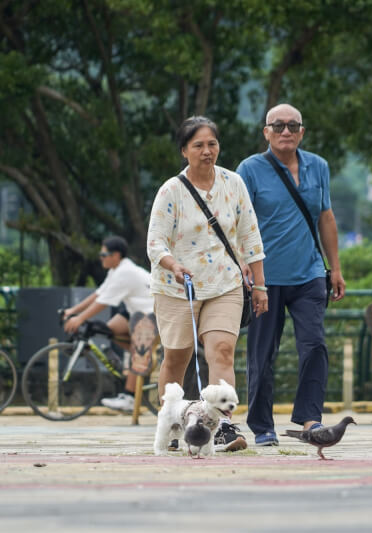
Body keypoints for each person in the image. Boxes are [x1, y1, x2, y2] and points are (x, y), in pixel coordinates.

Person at [147, 115, 267, 452]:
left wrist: (260, 285)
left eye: (212, 144)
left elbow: (250, 236)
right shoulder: (171, 190)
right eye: (198, 145)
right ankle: (172, 425)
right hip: (177, 285)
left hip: (225, 283)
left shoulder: (233, 184)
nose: (206, 151)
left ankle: (223, 426)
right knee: (177, 358)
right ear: (184, 150)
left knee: (222, 351)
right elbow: (155, 243)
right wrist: (173, 265)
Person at [236, 103, 346, 446]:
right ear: (266, 132)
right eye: (278, 125)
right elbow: (238, 222)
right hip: (265, 277)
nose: (286, 131)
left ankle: (311, 420)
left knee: (314, 345)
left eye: (293, 125)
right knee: (262, 351)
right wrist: (245, 267)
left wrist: (336, 268)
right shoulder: (249, 169)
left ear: (302, 131)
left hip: (310, 273)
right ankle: (262, 426)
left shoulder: (319, 166)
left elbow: (325, 218)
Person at [60, 235, 154, 413]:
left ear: (116, 255)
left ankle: (129, 396)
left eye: (104, 255)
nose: (100, 258)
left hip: (152, 313)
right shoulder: (116, 271)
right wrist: (73, 311)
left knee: (138, 349)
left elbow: (103, 302)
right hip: (135, 311)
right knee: (108, 330)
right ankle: (138, 362)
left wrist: (79, 319)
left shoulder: (125, 273)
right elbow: (98, 294)